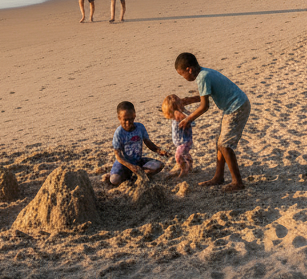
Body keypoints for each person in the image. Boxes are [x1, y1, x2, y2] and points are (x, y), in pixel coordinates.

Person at [174, 52, 250, 192]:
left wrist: (188, 119)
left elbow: (204, 106)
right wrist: (189, 100)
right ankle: (218, 177)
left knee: (225, 144)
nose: (183, 78)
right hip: (233, 106)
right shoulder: (204, 73)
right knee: (219, 142)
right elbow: (205, 94)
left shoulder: (203, 77)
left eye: (182, 74)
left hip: (236, 107)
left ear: (189, 69)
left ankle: (237, 182)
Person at [103, 101, 166, 186]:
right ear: (119, 118)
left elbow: (148, 143)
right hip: (124, 164)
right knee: (114, 180)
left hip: (138, 161)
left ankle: (136, 176)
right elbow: (118, 156)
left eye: (131, 119)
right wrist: (131, 167)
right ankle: (127, 175)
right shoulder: (119, 133)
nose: (128, 122)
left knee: (159, 165)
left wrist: (159, 150)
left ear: (134, 116)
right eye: (125, 120)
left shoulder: (140, 127)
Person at [161, 94, 194, 178]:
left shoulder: (181, 116)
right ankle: (190, 165)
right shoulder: (175, 118)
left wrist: (186, 118)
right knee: (185, 154)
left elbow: (193, 122)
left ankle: (183, 169)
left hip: (184, 142)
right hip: (182, 142)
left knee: (178, 156)